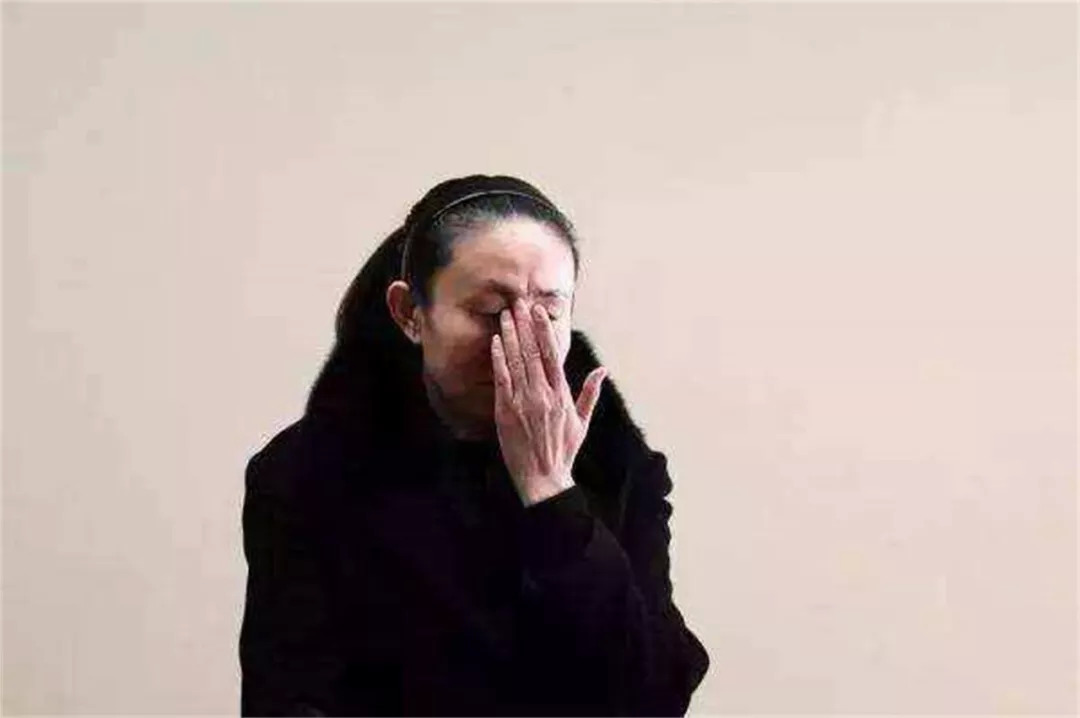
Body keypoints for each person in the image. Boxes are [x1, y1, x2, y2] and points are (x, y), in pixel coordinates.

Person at [239, 174, 710, 716]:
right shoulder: (306, 472)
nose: (521, 339)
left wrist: (552, 493)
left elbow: (652, 697)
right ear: (410, 314)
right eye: (489, 312)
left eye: (549, 312)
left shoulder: (620, 467)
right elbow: (289, 697)